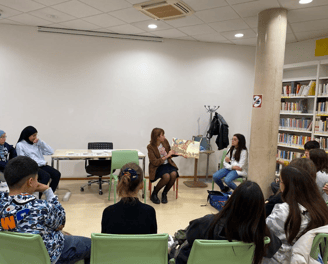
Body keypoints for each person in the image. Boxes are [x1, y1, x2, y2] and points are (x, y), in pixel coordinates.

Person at [0, 156, 91, 264]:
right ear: (30, 181)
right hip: (49, 255)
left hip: (12, 255)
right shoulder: (42, 206)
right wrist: (48, 191)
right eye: (36, 179)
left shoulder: (2, 201)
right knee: (92, 245)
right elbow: (61, 222)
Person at [174, 181, 281, 264]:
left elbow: (190, 235)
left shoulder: (209, 222)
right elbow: (272, 249)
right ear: (259, 209)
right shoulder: (260, 231)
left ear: (232, 201)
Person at [263, 166, 328, 264]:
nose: (279, 185)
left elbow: (263, 231)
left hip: (283, 259)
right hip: (310, 258)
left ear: (288, 185)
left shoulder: (284, 211)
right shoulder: (319, 208)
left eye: (280, 181)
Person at [101, 162, 157, 234]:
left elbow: (104, 242)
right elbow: (152, 241)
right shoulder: (149, 212)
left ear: (119, 183)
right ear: (142, 185)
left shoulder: (108, 212)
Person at [16, 126, 61, 193]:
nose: (35, 137)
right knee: (46, 176)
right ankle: (37, 196)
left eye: (36, 135)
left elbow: (51, 151)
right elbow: (22, 159)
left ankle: (50, 194)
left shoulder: (36, 144)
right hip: (31, 167)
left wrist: (41, 143)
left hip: (41, 165)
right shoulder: (20, 145)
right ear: (27, 135)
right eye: (33, 135)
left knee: (57, 174)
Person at [147, 128, 182, 204]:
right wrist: (166, 156)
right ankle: (154, 193)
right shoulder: (150, 147)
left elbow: (170, 152)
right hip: (157, 167)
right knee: (166, 176)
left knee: (174, 174)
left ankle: (164, 193)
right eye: (162, 135)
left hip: (167, 164)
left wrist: (180, 154)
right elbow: (155, 162)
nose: (164, 137)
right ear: (157, 137)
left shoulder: (164, 142)